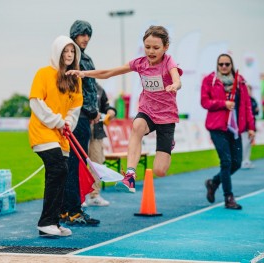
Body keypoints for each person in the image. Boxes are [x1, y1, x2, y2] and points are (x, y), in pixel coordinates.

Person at [67, 25, 182, 193]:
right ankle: (130, 175)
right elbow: (110, 72)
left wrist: (175, 85)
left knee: (160, 171)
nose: (151, 51)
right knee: (137, 126)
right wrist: (85, 74)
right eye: (147, 47)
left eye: (156, 48)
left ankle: (169, 142)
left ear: (165, 47)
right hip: (147, 111)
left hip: (166, 117)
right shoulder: (140, 63)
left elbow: (177, 78)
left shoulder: (168, 61)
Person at [28, 35, 83, 237]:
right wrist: (57, 121)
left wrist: (67, 123)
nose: (69, 55)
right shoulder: (43, 74)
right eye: (65, 51)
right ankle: (46, 222)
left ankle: (53, 222)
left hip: (62, 135)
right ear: (57, 53)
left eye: (72, 52)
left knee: (62, 172)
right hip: (42, 130)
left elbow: (75, 109)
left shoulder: (75, 79)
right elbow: (36, 102)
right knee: (58, 169)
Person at [201, 53, 256, 210]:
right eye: (221, 64)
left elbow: (247, 106)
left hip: (235, 128)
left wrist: (251, 127)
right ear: (217, 66)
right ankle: (229, 197)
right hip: (217, 127)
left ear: (231, 65)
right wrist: (223, 103)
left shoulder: (240, 82)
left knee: (237, 163)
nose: (224, 67)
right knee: (226, 161)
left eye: (227, 64)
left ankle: (214, 183)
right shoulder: (209, 80)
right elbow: (204, 102)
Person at [60, 20, 101, 226]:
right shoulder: (73, 59)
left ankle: (68, 209)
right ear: (74, 34)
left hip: (85, 118)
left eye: (88, 35)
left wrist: (96, 111)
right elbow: (79, 91)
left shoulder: (86, 58)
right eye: (82, 34)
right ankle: (72, 210)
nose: (86, 38)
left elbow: (93, 88)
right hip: (77, 118)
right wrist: (92, 111)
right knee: (73, 165)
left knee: (73, 164)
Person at [85, 83, 116, 206]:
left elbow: (106, 106)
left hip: (97, 131)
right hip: (80, 129)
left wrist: (111, 111)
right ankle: (78, 197)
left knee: (96, 163)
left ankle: (94, 195)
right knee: (77, 163)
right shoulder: (76, 85)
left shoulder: (98, 88)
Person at [241, 85, 259, 169]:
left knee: (249, 144)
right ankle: (242, 161)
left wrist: (257, 110)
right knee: (244, 143)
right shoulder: (242, 100)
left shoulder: (253, 100)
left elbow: (255, 112)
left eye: (250, 90)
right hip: (245, 126)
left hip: (252, 124)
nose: (249, 92)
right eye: (247, 90)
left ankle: (247, 160)